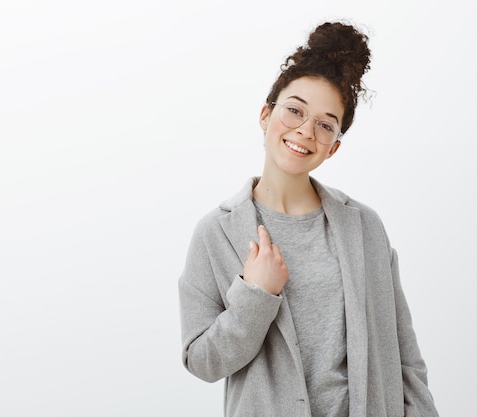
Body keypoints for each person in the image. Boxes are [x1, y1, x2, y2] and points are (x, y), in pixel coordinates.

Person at [178, 21, 439, 417]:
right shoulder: (216, 232)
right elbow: (201, 361)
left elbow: (406, 359)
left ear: (333, 147)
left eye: (324, 124)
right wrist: (255, 296)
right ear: (266, 115)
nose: (304, 131)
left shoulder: (365, 227)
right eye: (294, 110)